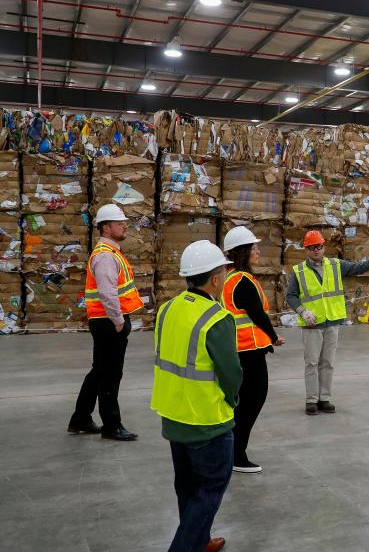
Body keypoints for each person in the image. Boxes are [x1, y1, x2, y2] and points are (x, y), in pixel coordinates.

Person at [151, 240, 241, 552]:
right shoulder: (217, 318)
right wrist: (232, 401)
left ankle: (201, 541)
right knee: (210, 490)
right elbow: (232, 374)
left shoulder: (167, 309)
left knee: (187, 487)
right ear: (215, 279)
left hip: (173, 415)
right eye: (224, 271)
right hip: (206, 420)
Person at [284, 229, 369, 415]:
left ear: (324, 247)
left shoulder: (335, 265)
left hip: (332, 321)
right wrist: (302, 311)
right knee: (311, 363)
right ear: (306, 250)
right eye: (312, 247)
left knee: (328, 362)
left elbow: (357, 268)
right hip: (311, 324)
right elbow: (291, 296)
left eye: (319, 246)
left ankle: (324, 398)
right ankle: (311, 400)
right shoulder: (299, 271)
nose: (316, 250)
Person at [68, 204, 144, 441]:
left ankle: (80, 418)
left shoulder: (111, 253)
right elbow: (107, 293)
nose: (125, 226)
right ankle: (112, 426)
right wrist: (119, 321)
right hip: (109, 322)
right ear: (106, 227)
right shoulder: (104, 256)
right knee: (111, 375)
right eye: (119, 223)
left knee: (100, 371)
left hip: (106, 321)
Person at [221, 225, 285, 475]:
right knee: (251, 402)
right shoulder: (243, 281)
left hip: (238, 349)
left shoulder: (227, 277)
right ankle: (237, 455)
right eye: (253, 248)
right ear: (242, 252)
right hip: (249, 351)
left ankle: (232, 450)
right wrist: (273, 336)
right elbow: (257, 314)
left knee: (241, 403)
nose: (258, 251)